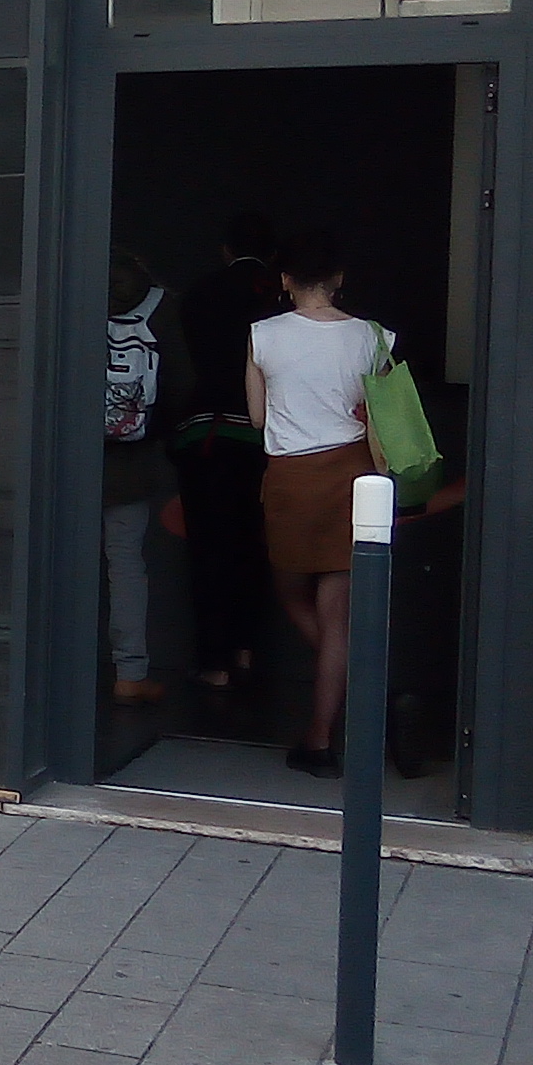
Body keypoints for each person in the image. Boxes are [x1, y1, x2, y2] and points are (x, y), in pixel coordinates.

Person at [246, 230, 380, 777]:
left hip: (291, 479)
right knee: (338, 613)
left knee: (289, 591)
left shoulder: (263, 336)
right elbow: (380, 413)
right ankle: (321, 739)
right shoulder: (372, 337)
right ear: (339, 279)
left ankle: (337, 697)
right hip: (352, 474)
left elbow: (258, 417)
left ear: (285, 281)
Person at [174, 211, 282, 695]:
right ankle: (246, 650)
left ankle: (214, 662)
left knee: (209, 550)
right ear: (273, 255)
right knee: (254, 547)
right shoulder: (280, 299)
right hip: (265, 439)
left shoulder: (198, 294)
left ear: (225, 250)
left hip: (205, 434)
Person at [103, 249, 188, 705]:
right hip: (132, 463)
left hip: (66, 459)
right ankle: (130, 674)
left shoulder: (69, 296)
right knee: (126, 564)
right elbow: (181, 385)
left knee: (56, 562)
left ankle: (51, 667)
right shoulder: (161, 308)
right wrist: (153, 433)